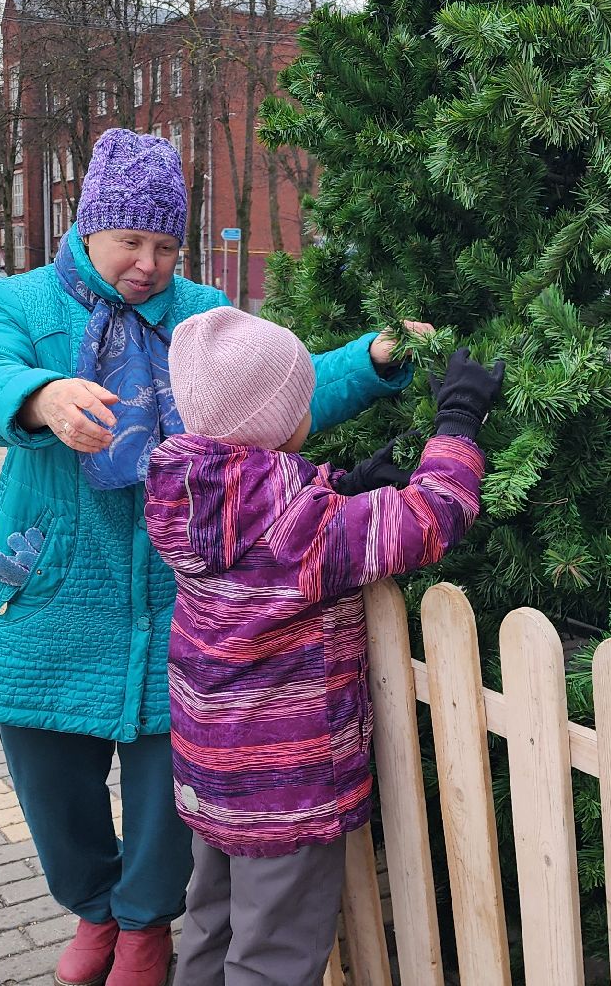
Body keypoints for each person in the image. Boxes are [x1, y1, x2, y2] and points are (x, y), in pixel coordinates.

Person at [0, 129, 429, 986]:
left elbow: (282, 389)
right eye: (132, 241)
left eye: (167, 244)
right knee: (53, 787)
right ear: (88, 226)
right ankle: (93, 908)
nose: (150, 263)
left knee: (171, 799)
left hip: (178, 609)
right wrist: (39, 395)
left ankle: (141, 929)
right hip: (53, 591)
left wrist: (373, 359)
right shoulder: (25, 304)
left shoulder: (201, 314)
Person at [145, 311, 501, 986]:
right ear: (276, 422)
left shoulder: (180, 490)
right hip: (286, 784)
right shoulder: (302, 530)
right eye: (299, 400)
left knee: (212, 923)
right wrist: (458, 419)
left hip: (211, 771)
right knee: (273, 958)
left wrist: (337, 487)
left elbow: (267, 514)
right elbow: (431, 518)